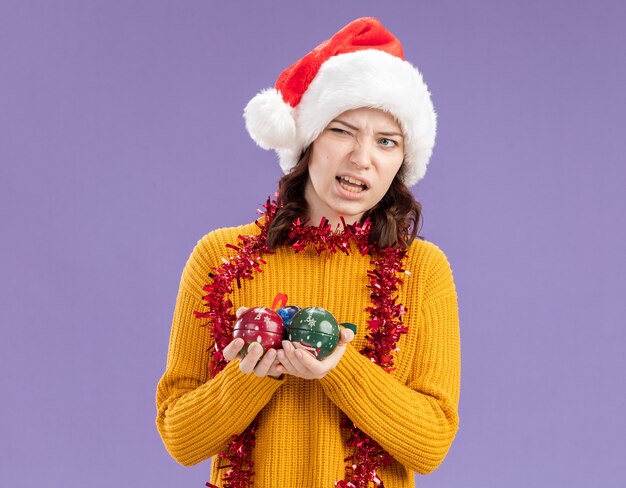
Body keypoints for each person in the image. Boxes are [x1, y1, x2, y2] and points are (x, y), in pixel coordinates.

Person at [156, 17, 460, 488]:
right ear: (308, 139)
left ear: (402, 160)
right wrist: (250, 378)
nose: (362, 157)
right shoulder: (220, 258)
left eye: (386, 141)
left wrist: (339, 369)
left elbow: (431, 442)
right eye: (342, 131)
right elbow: (180, 439)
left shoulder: (421, 271)